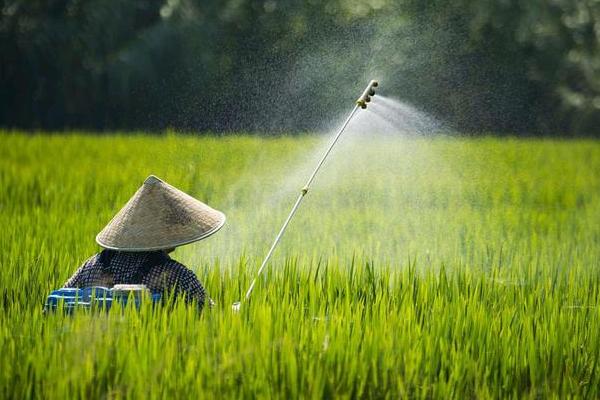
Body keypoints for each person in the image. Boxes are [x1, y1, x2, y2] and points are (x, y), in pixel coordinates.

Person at [64, 175, 225, 310]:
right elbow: (210, 315)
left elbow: (58, 300)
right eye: (172, 223)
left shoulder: (91, 265)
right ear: (165, 232)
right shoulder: (176, 274)